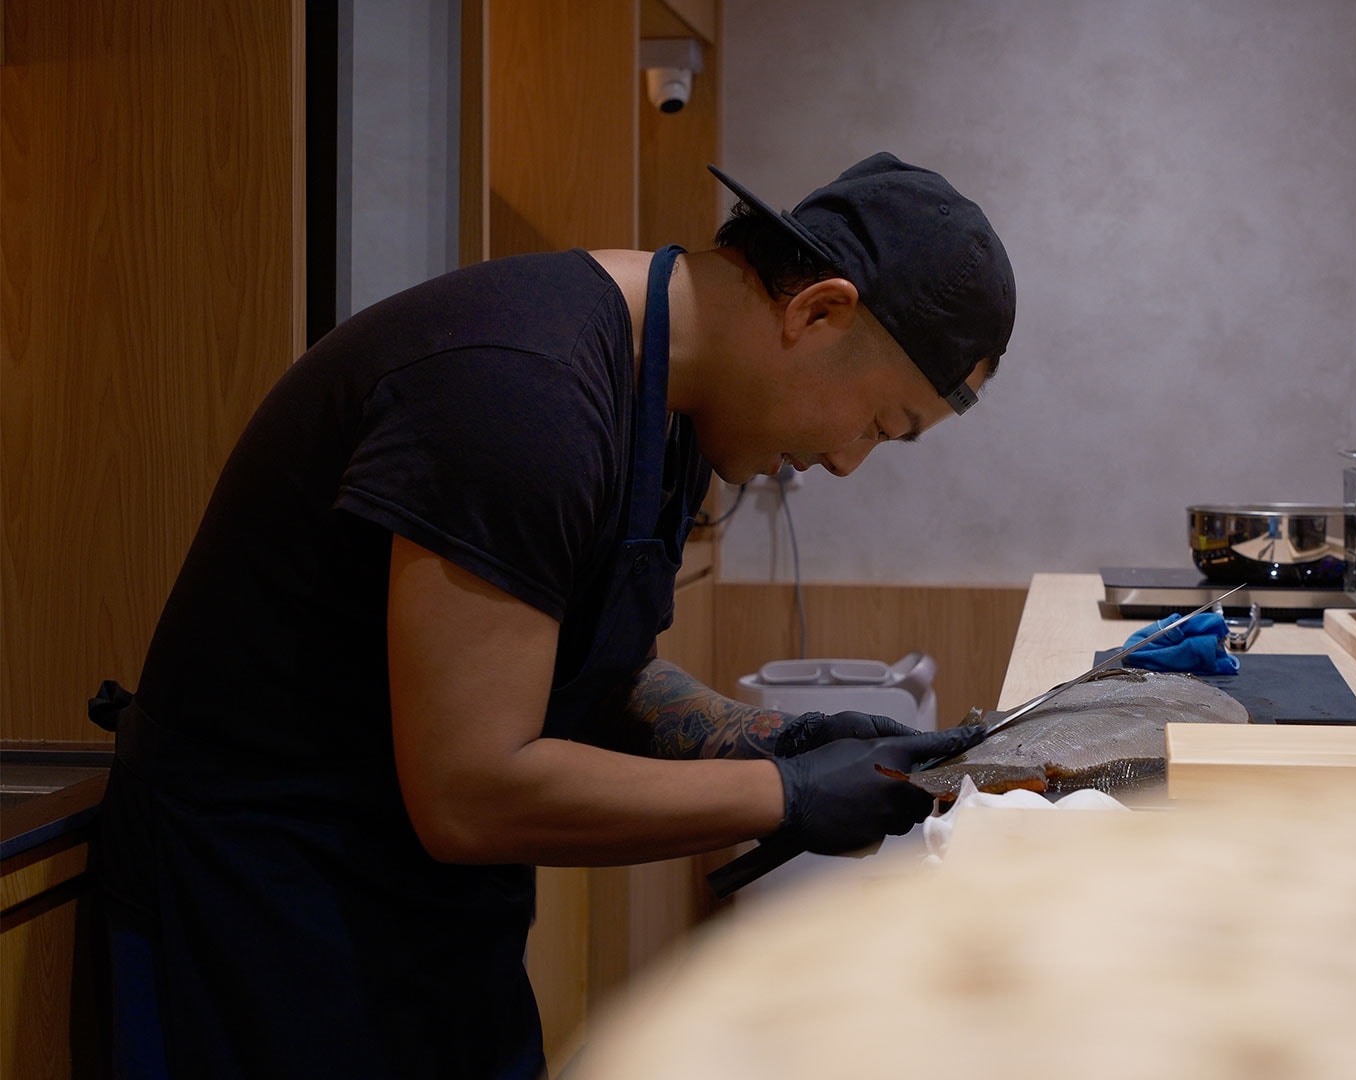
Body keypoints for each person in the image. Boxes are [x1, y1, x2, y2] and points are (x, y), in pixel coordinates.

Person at [89, 151, 1017, 1078]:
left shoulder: (678, 410)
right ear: (817, 310)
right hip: (257, 907)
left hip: (416, 913)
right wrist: (790, 795)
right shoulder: (518, 392)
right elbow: (470, 790)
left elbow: (590, 667)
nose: (850, 462)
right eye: (880, 425)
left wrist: (774, 736)